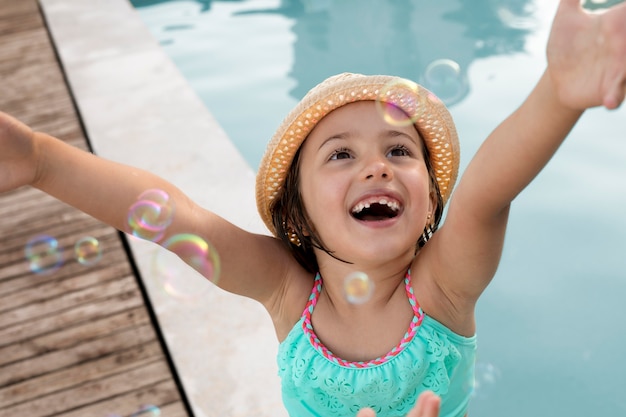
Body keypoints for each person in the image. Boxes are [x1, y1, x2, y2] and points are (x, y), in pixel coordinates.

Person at [1, 0, 625, 415]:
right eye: (340, 155)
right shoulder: (286, 293)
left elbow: (488, 191)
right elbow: (173, 217)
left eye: (399, 150)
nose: (376, 166)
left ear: (432, 200)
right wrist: (40, 160)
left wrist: (558, 94)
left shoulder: (442, 291)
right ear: (296, 212)